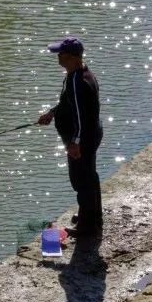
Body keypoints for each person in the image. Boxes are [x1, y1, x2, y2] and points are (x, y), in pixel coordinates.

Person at [37, 36, 104, 238]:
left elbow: (83, 116)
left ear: (74, 58)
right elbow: (70, 103)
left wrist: (75, 142)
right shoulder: (79, 74)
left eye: (62, 56)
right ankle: (90, 216)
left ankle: (88, 228)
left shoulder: (78, 82)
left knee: (81, 181)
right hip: (88, 136)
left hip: (81, 140)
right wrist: (53, 112)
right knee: (89, 178)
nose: (58, 59)